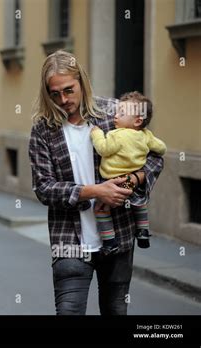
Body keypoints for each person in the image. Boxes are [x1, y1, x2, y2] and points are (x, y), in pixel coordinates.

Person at [28, 50, 164, 315]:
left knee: (115, 310)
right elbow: (43, 187)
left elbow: (156, 156)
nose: (63, 99)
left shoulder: (116, 113)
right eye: (55, 93)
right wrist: (94, 191)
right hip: (69, 238)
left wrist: (131, 181)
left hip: (120, 234)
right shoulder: (43, 128)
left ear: (82, 81)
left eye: (69, 90)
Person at [90, 91, 166, 254]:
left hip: (113, 181)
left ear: (138, 120)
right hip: (132, 179)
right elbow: (161, 148)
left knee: (101, 208)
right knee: (139, 201)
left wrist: (96, 134)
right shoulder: (146, 135)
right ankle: (143, 231)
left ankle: (110, 241)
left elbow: (103, 149)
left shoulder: (116, 135)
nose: (115, 116)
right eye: (117, 112)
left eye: (122, 113)